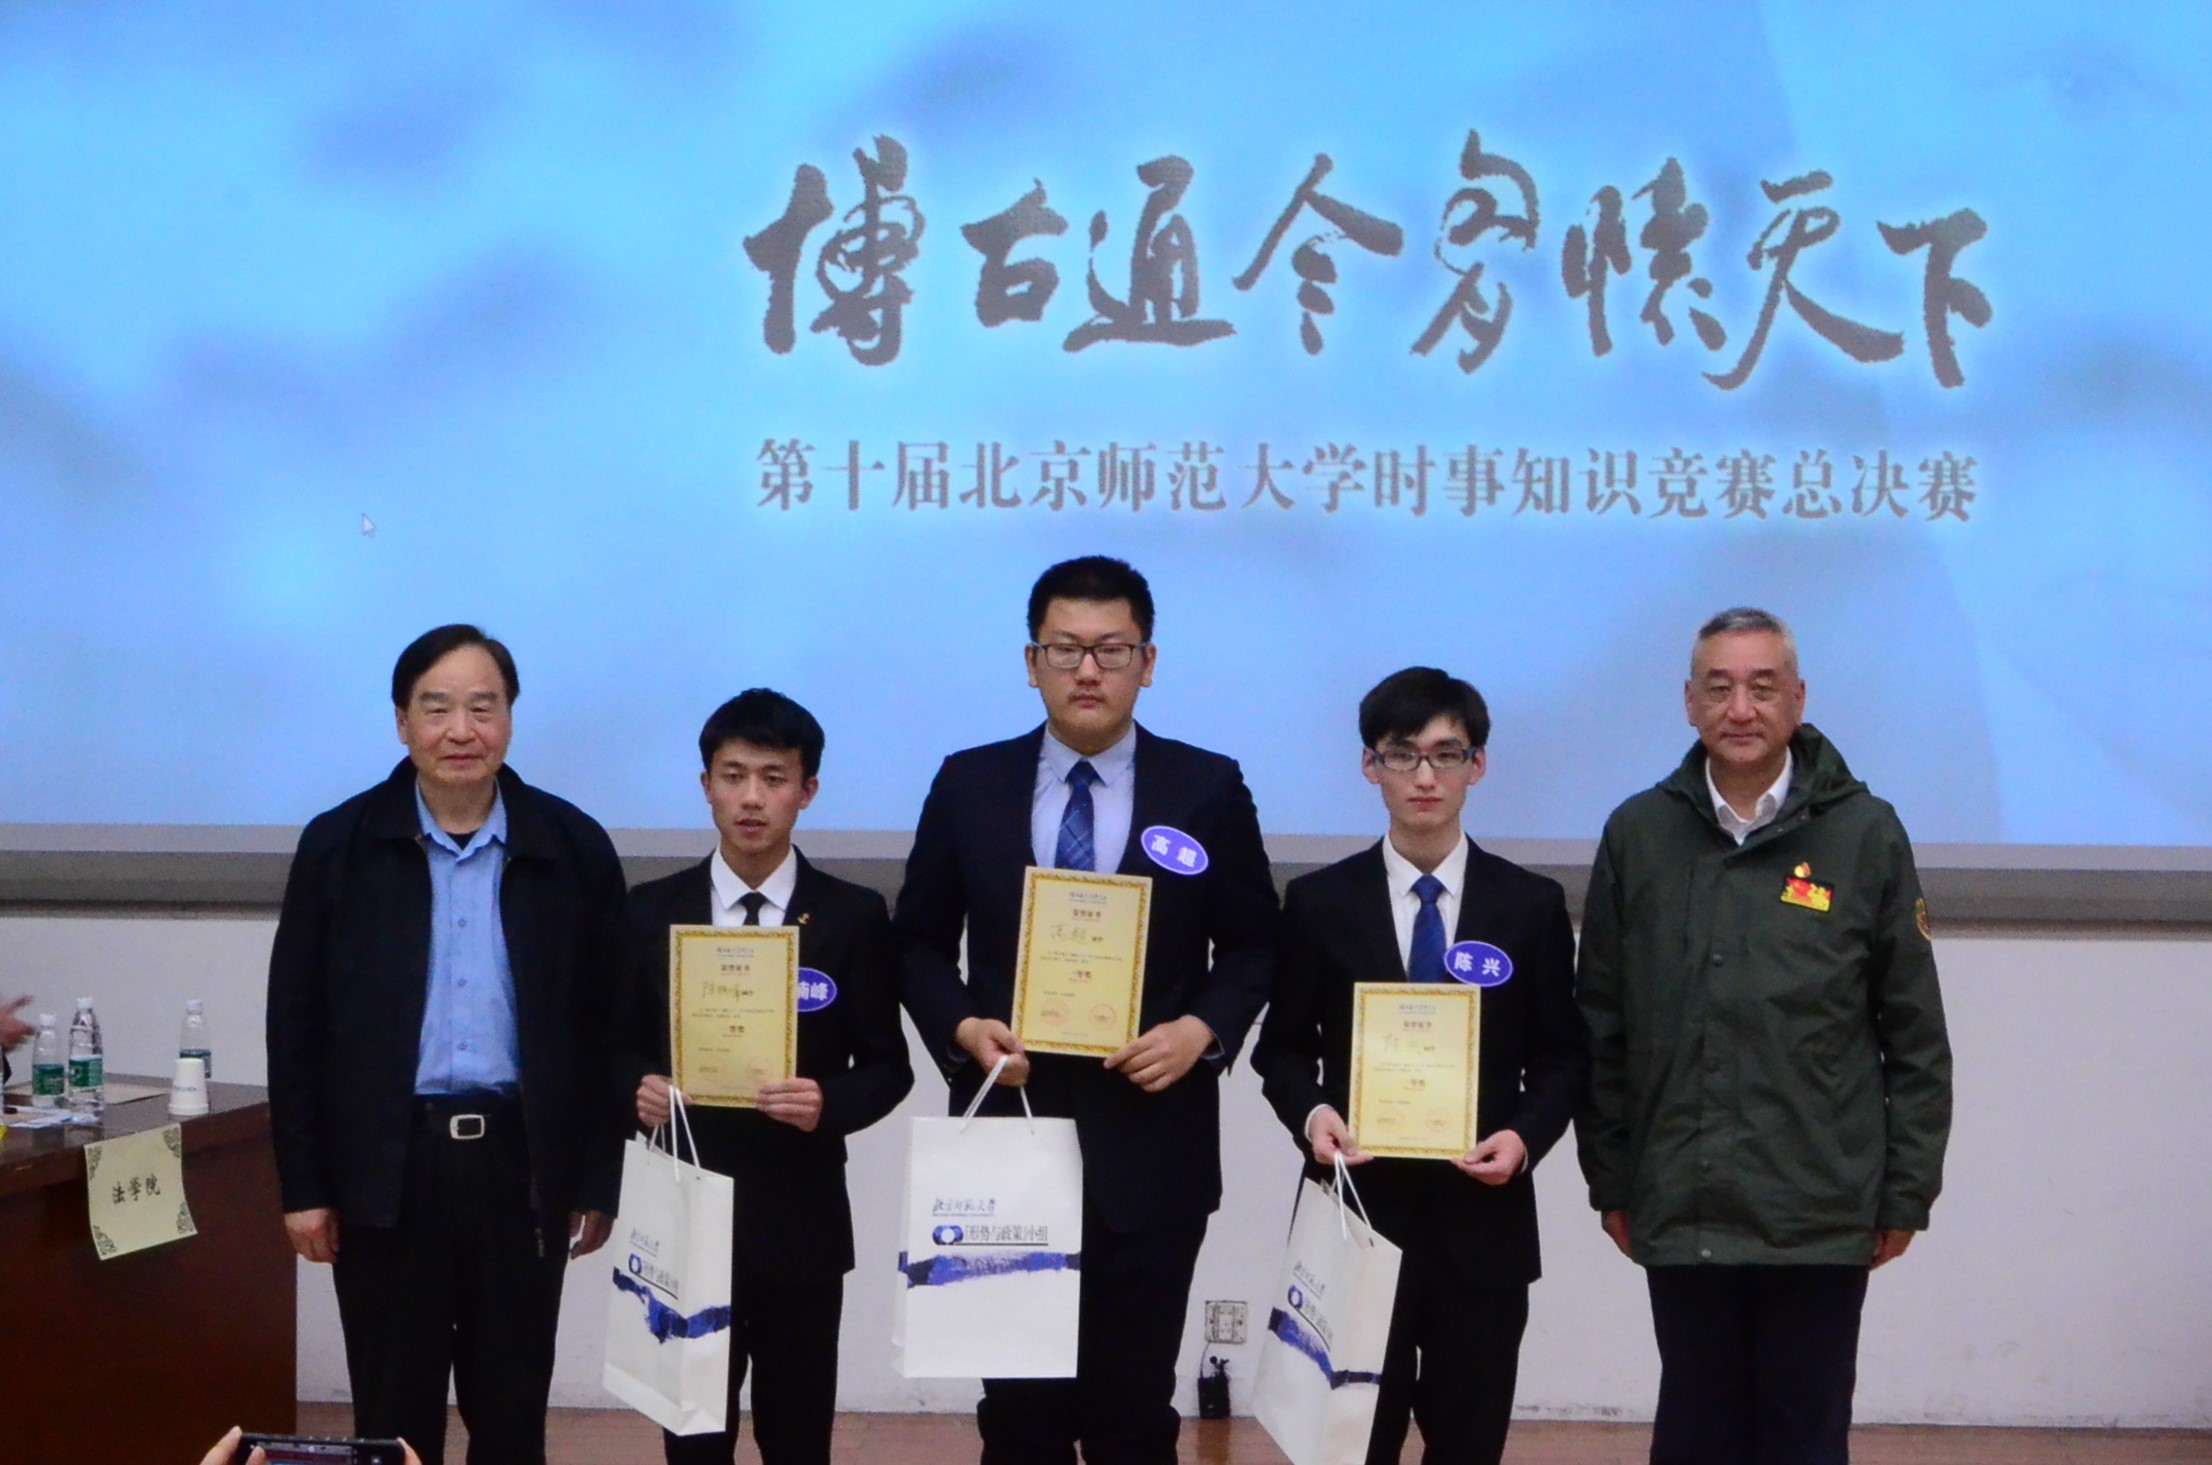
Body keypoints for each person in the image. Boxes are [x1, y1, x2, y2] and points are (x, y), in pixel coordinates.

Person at [894, 555, 1281, 1465]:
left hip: (1153, 1139)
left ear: (1149, 662)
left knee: (1133, 1412)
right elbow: (914, 943)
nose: (1088, 671)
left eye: (1112, 649)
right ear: (1031, 662)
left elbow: (1257, 945)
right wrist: (964, 1028)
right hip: (1009, 1133)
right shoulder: (968, 782)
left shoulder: (1207, 786)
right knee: (1018, 1417)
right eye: (1065, 649)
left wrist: (1200, 1031)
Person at [1575, 607, 1953, 1465]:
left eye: (1761, 686)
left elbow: (1915, 1036)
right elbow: (1602, 1024)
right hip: (1683, 1199)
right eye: (1719, 688)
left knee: (1804, 1436)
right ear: (1689, 702)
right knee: (1696, 1435)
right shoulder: (1639, 833)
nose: (1740, 708)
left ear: (1798, 698)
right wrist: (1612, 1178)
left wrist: (1906, 1192)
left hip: (1818, 1207)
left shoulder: (1865, 833)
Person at [265, 624, 628, 1465]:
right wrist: (306, 1185)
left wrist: (594, 1178)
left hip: (520, 1167)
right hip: (388, 1171)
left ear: (510, 719)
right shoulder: (339, 845)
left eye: (482, 707)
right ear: (402, 722)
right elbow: (296, 1026)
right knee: (392, 1417)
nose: (461, 730)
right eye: (437, 708)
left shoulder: (572, 846)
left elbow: (608, 1026)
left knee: (512, 1415)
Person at [1252, 667, 1588, 1465]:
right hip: (1357, 1215)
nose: (1425, 776)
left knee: (1469, 1441)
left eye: (1447, 753)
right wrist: (1313, 1116)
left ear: (1479, 764)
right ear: (1370, 765)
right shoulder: (1320, 901)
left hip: (1483, 1220)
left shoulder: (1530, 904)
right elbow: (1282, 1047)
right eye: (1403, 754)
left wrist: (1524, 1137)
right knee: (1349, 1442)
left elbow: (1564, 1053)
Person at [617, 689, 914, 1465]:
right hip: (686, 1208)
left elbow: (889, 1066)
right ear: (706, 784)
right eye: (734, 774)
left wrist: (827, 1102)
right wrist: (636, 1089)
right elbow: (609, 1047)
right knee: (693, 1435)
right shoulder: (649, 911)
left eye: (774, 777)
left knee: (797, 1436)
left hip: (800, 1215)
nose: (752, 797)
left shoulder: (852, 915)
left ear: (806, 790)